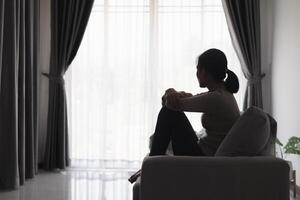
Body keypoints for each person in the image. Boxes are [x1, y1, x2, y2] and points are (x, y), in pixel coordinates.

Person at [128, 48, 241, 183]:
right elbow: (190, 98)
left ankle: (152, 165)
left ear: (204, 72)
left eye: (198, 69)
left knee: (168, 113)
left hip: (203, 157)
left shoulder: (217, 98)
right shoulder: (221, 93)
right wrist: (172, 93)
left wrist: (169, 93)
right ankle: (152, 163)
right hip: (204, 151)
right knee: (171, 111)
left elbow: (171, 104)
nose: (197, 73)